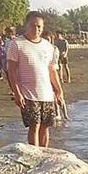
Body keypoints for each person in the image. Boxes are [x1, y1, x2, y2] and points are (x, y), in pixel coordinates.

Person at [6, 11, 64, 147]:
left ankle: (43, 155)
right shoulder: (16, 44)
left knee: (45, 126)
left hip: (47, 94)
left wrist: (59, 90)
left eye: (39, 26)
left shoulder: (49, 47)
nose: (36, 29)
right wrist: (17, 93)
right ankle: (35, 155)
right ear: (26, 25)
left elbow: (52, 71)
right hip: (28, 93)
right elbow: (12, 71)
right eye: (33, 26)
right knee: (35, 125)